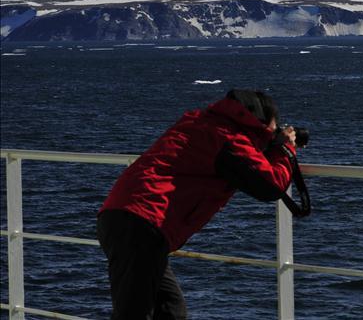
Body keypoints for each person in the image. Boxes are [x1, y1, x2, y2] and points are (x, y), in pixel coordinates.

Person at [97, 89, 299, 319]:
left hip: (127, 217)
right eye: (273, 128)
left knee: (170, 310)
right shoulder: (228, 139)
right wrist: (284, 149)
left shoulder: (200, 122)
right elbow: (270, 187)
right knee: (136, 313)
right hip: (142, 223)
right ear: (259, 123)